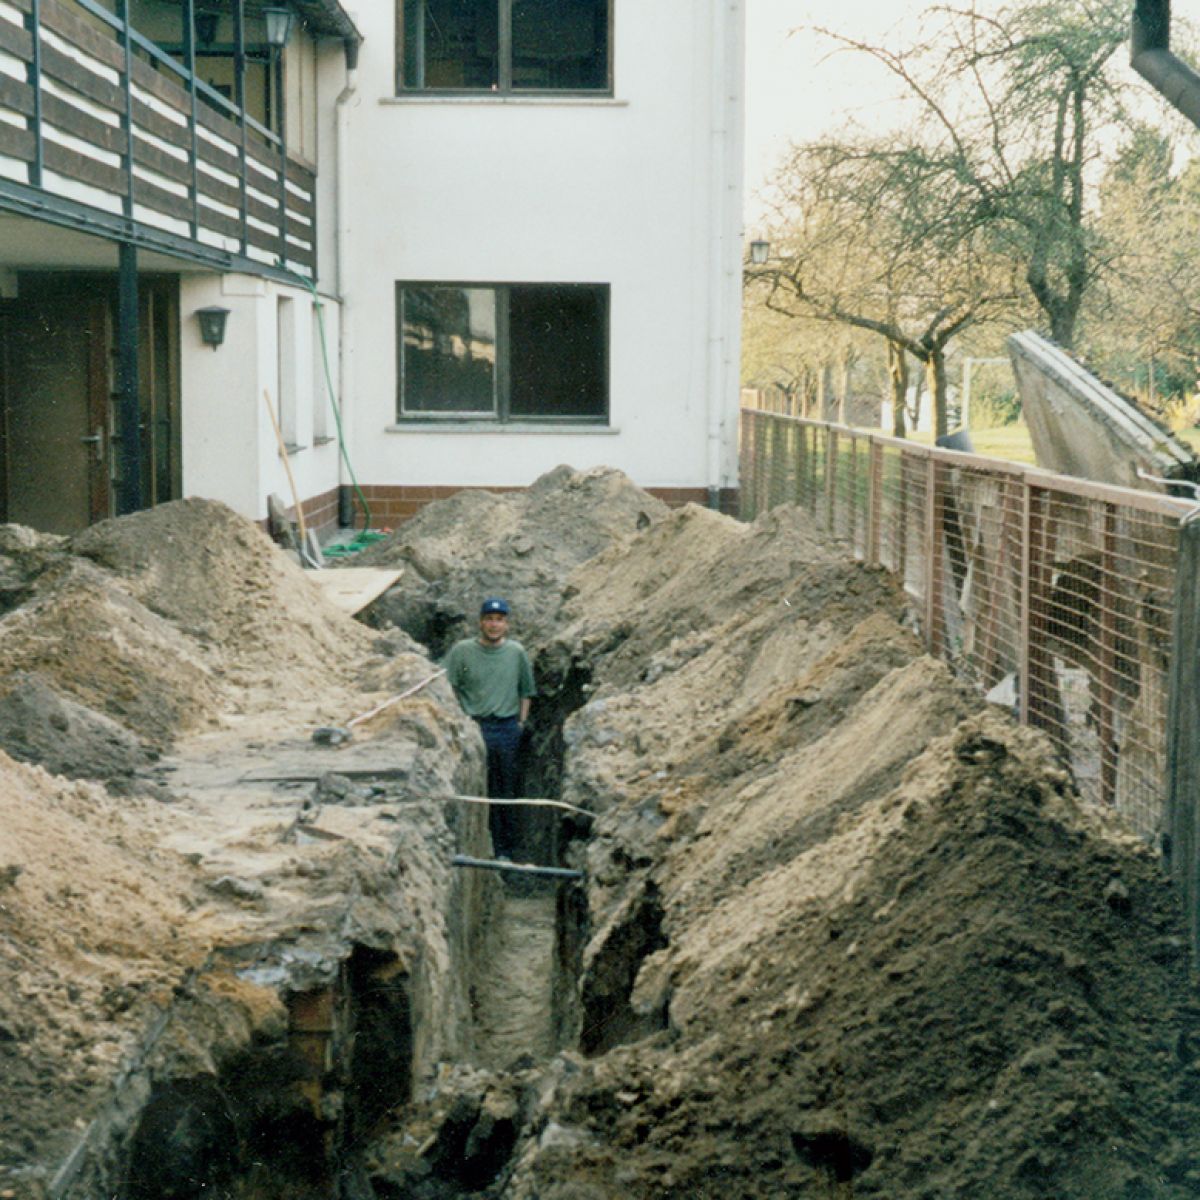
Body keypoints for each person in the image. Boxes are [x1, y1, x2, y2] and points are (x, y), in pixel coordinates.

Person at [443, 597, 536, 857]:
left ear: (506, 624)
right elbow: (448, 684)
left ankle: (505, 848)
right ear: (480, 622)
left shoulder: (516, 653)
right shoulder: (462, 652)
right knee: (476, 787)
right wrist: (458, 717)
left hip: (506, 730)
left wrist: (521, 723)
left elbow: (526, 691)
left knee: (505, 789)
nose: (494, 625)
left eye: (499, 620)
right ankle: (479, 848)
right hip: (474, 727)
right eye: (489, 619)